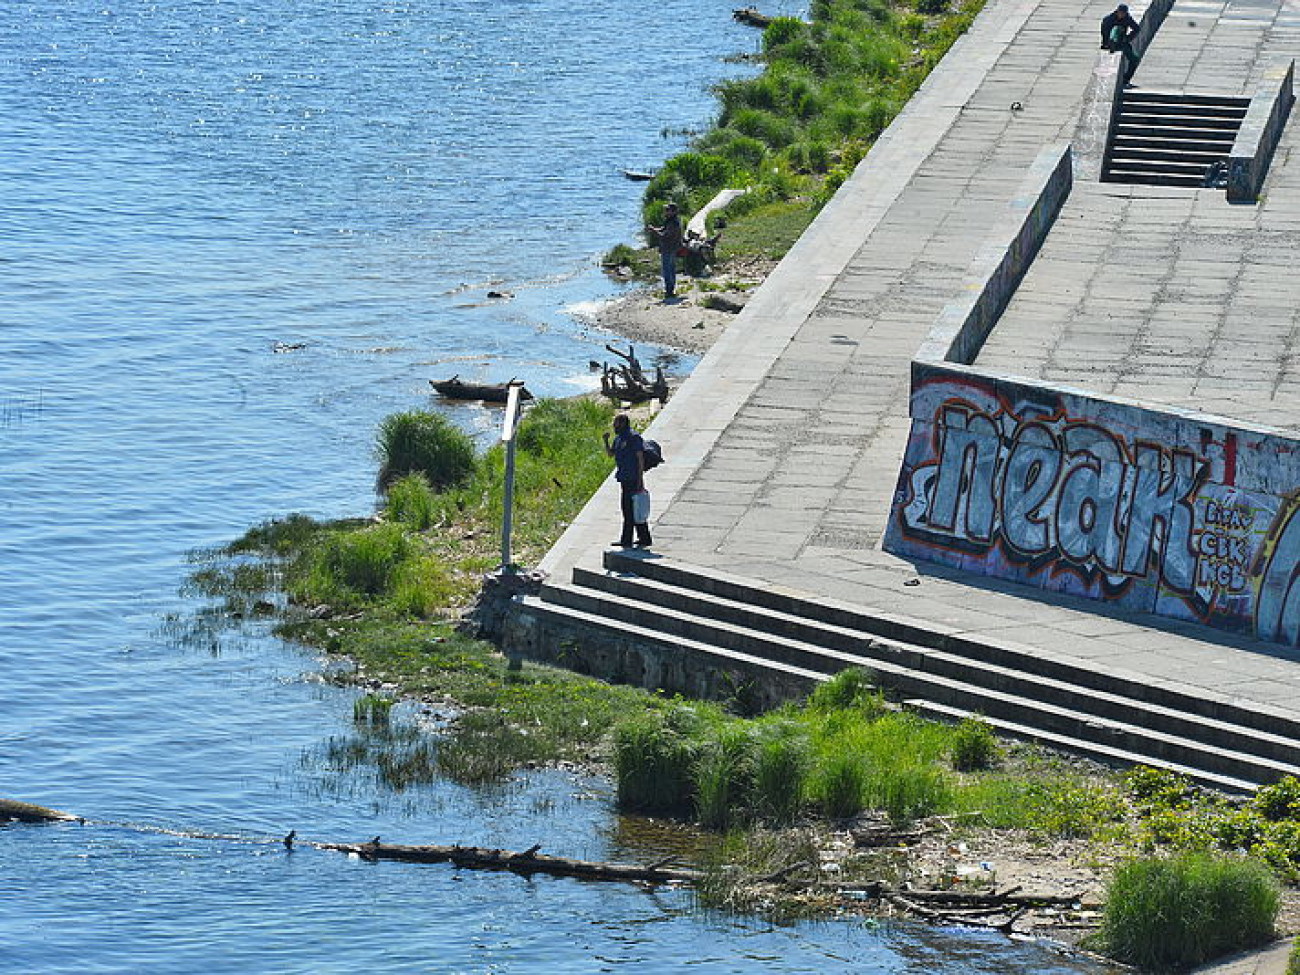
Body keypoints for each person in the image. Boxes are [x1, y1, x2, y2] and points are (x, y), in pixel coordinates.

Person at [603, 413, 652, 548]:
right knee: (631, 509)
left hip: (633, 478)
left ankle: (628, 540)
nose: (614, 426)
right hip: (624, 478)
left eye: (616, 424)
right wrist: (606, 441)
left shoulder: (633, 437)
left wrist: (640, 478)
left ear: (623, 423)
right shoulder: (619, 439)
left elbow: (640, 457)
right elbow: (610, 454)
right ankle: (643, 538)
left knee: (632, 509)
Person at [648, 202, 684, 300]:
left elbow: (664, 236)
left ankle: (669, 291)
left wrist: (654, 231)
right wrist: (655, 229)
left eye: (668, 210)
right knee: (671, 269)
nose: (665, 212)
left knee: (667, 270)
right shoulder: (671, 221)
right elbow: (663, 229)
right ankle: (671, 289)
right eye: (666, 210)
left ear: (673, 212)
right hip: (671, 248)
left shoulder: (673, 223)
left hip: (669, 248)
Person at [1100, 4, 1140, 85]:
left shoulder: (1127, 19)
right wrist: (1106, 44)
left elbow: (1137, 28)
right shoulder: (1109, 19)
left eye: (1123, 13)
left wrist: (1128, 38)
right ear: (1117, 12)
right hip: (1110, 41)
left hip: (1122, 42)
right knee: (1116, 29)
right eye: (1120, 13)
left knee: (1134, 60)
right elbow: (1104, 32)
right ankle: (1113, 43)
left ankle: (1126, 79)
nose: (1122, 15)